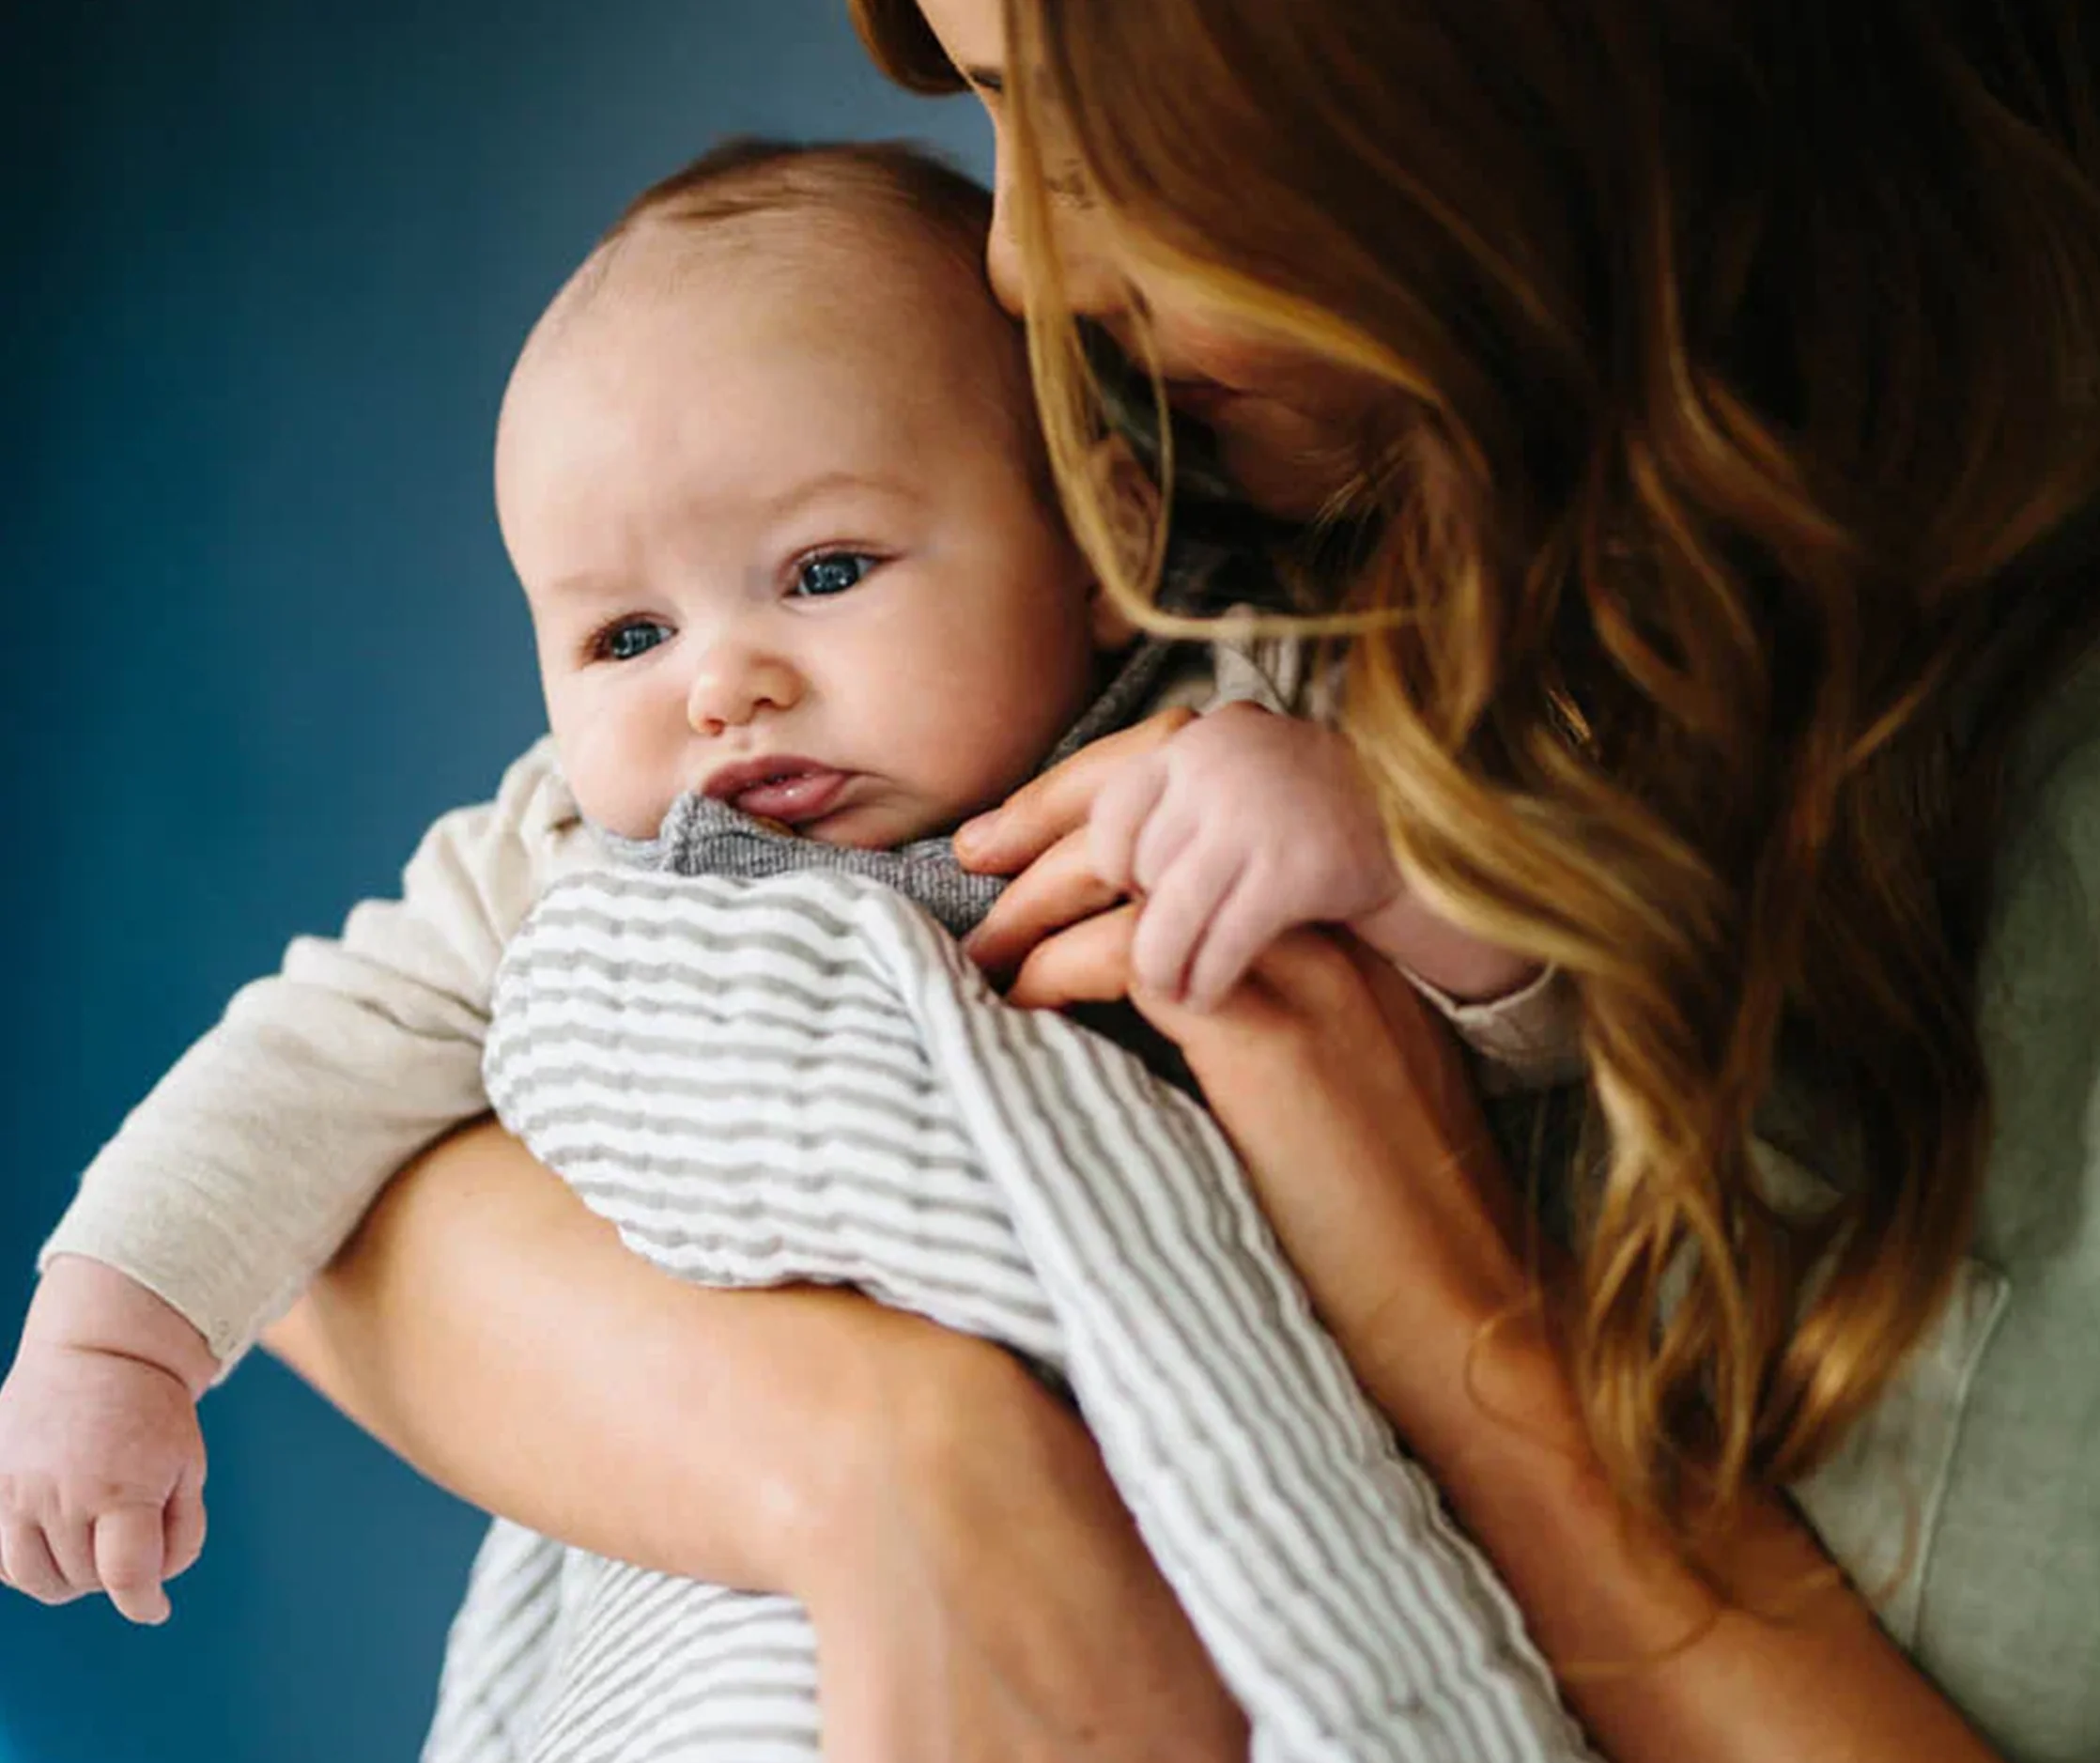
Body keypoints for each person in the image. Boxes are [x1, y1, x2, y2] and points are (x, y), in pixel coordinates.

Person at [138, 1, 2100, 1763]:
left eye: (1075, 106)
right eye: (624, 636)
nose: (1019, 255)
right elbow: (335, 1178)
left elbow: (1531, 941)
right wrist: (895, 1473)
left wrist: (1392, 984)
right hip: (736, 1741)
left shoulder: (1216, 684)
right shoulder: (625, 836)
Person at [0, 139, 1538, 1629]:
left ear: (1101, 533)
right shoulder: (565, 859)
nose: (722, 686)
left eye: (825, 572)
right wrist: (111, 1339)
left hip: (1265, 1505)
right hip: (741, 1576)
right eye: (626, 638)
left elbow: (1559, 1035)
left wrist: (1387, 859)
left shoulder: (1243, 726)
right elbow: (301, 1067)